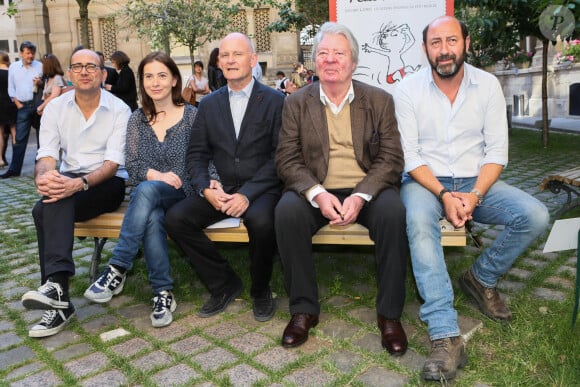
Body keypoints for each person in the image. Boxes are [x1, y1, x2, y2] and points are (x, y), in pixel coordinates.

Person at [394, 16, 550, 381]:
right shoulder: (407, 89)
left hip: (477, 178)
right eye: (435, 43)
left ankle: (481, 277)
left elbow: (497, 151)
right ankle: (445, 333)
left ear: (466, 42)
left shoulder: (488, 85)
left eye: (451, 40)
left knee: (535, 215)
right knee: (418, 221)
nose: (444, 50)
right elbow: (411, 156)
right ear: (425, 49)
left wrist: (475, 194)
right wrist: (445, 195)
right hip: (424, 182)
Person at [275, 22, 409, 355]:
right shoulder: (296, 103)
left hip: (367, 187)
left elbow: (391, 158)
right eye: (323, 53)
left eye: (339, 53)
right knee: (286, 211)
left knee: (394, 213)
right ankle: (303, 309)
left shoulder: (379, 101)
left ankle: (390, 314)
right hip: (318, 187)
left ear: (353, 62)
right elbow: (287, 159)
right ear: (314, 61)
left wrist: (361, 196)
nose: (331, 60)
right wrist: (317, 194)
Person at [166, 32, 284, 322]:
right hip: (220, 187)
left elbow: (279, 156)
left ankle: (260, 290)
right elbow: (195, 155)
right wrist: (205, 188)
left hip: (260, 189)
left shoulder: (275, 101)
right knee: (175, 219)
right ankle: (224, 283)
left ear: (253, 59)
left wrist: (248, 194)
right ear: (218, 62)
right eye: (225, 55)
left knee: (261, 220)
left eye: (238, 54)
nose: (231, 60)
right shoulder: (207, 104)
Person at [84, 52, 202, 328]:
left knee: (146, 192)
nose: (155, 82)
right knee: (150, 212)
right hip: (148, 198)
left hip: (182, 193)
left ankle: (117, 267)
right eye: (148, 76)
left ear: (174, 79)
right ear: (142, 82)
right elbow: (133, 165)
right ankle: (163, 292)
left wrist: (172, 179)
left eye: (162, 75)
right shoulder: (137, 119)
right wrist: (156, 175)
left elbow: (201, 160)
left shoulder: (192, 116)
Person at [20, 49, 131, 338]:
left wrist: (78, 184)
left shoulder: (119, 109)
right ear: (69, 73)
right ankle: (57, 294)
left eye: (91, 67)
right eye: (78, 66)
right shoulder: (56, 108)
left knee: (45, 208)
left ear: (103, 74)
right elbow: (46, 155)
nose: (84, 71)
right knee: (44, 204)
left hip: (107, 184)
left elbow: (112, 164)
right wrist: (44, 178)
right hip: (69, 181)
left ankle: (58, 298)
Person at [1, 41, 43, 178]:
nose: (30, 56)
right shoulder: (13, 67)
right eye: (27, 53)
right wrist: (18, 103)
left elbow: (46, 85)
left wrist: (40, 83)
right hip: (22, 106)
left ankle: (40, 168)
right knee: (19, 139)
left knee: (41, 138)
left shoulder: (40, 66)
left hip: (37, 105)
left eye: (32, 53)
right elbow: (10, 88)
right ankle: (14, 169)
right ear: (21, 53)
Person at [0, 51, 17, 168]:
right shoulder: (13, 71)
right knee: (14, 131)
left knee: (0, 133)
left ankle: (0, 159)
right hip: (13, 103)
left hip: (0, 104)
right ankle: (16, 159)